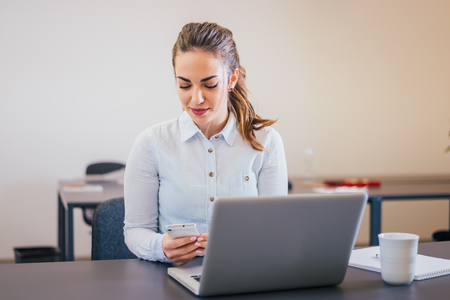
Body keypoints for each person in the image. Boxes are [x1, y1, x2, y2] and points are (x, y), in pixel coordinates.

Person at [124, 22, 288, 265]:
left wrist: (235, 243)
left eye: (209, 84)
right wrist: (161, 247)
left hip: (245, 275)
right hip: (172, 279)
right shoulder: (150, 144)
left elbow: (276, 232)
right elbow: (135, 230)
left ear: (231, 78)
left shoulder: (266, 142)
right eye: (184, 85)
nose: (196, 98)